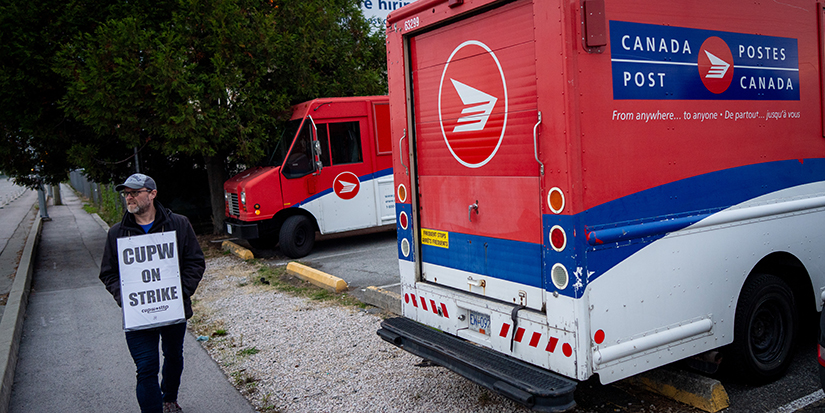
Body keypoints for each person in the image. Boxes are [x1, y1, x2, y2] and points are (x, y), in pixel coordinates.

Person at [99, 173, 205, 413]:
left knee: (173, 357)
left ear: (152, 194)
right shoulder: (117, 233)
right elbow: (108, 273)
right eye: (127, 193)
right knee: (146, 367)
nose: (129, 197)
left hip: (172, 309)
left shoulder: (178, 224)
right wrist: (124, 298)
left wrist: (181, 292)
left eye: (135, 192)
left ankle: (169, 397)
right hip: (139, 314)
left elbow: (195, 262)